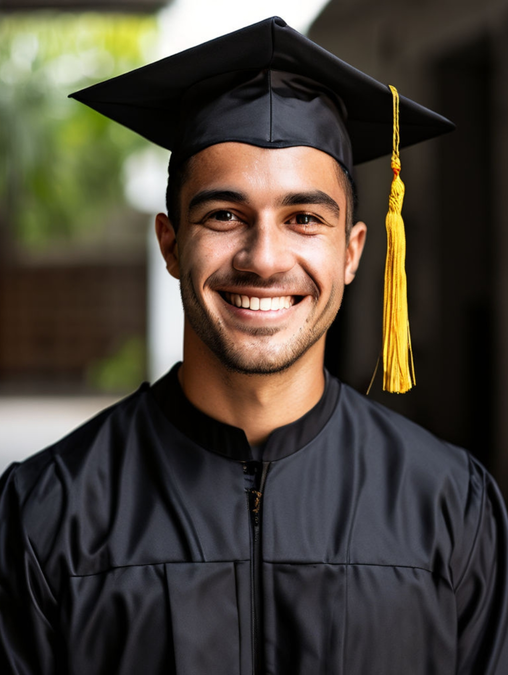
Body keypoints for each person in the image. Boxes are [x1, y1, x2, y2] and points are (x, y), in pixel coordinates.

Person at [1, 16, 507, 675]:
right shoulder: (48, 511)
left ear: (352, 251)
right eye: (225, 215)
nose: (264, 258)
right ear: (171, 242)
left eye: (303, 218)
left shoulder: (448, 506)